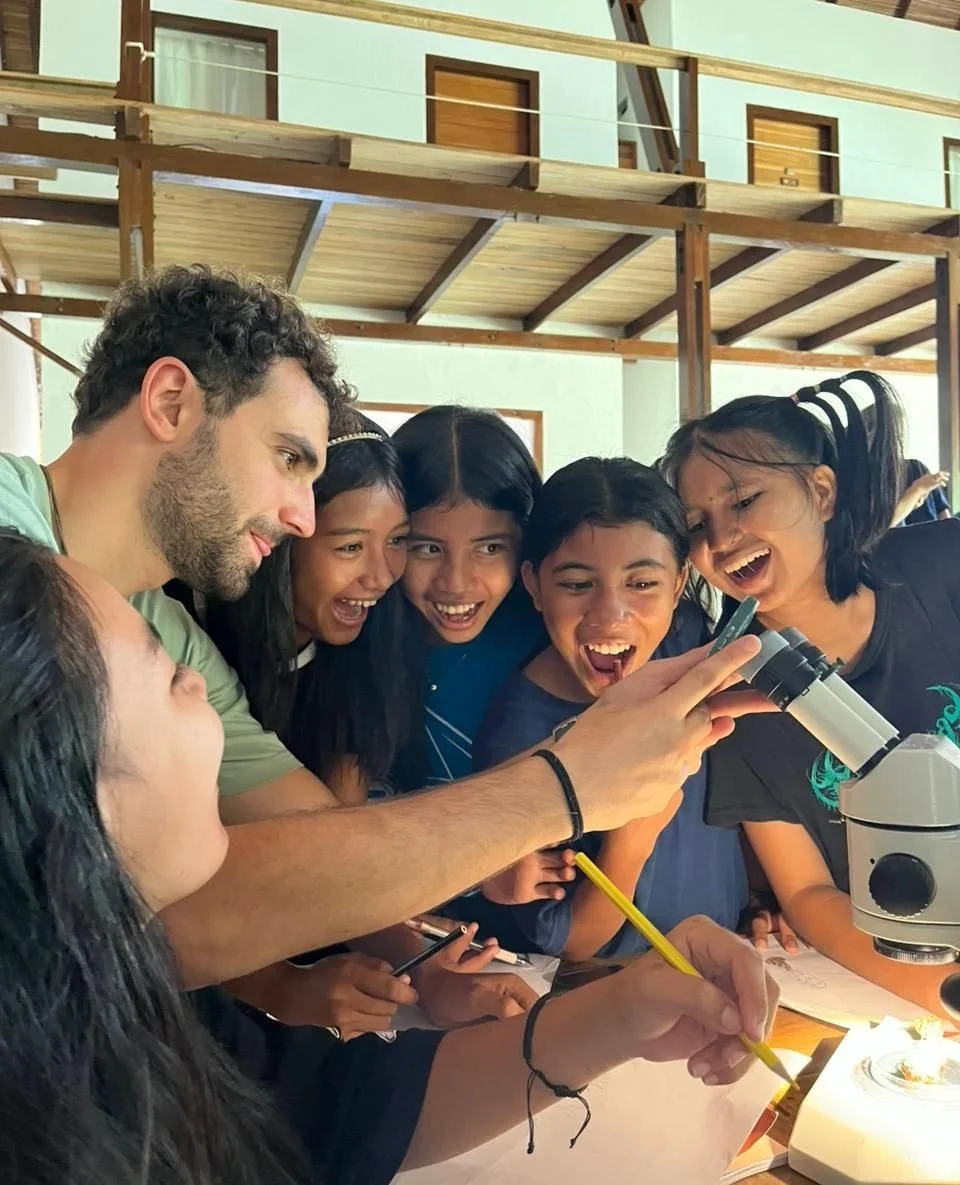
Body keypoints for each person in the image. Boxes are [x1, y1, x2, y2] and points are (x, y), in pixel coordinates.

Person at [0, 263, 770, 990]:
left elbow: (315, 846)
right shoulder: (13, 547)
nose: (303, 517)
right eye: (288, 457)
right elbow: (156, 913)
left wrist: (422, 961)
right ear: (171, 402)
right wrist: (565, 788)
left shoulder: (169, 641)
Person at [0, 528, 779, 1185]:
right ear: (53, 778)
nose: (205, 691)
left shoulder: (133, 1019)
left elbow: (346, 1107)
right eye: (171, 676)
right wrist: (565, 788)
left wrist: (621, 1011)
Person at [205, 416, 537, 1033]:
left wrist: (424, 967)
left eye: (396, 543)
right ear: (283, 533)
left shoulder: (356, 651)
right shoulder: (193, 646)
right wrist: (281, 986)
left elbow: (344, 849)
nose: (381, 576)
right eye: (351, 546)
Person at [662, 369, 960, 1017]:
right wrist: (945, 994)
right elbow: (807, 893)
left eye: (744, 501)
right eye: (696, 524)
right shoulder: (733, 698)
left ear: (821, 491)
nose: (721, 538)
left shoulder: (946, 566)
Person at [473, 458, 747, 961]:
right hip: (616, 988)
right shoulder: (518, 737)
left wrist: (767, 898)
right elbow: (573, 941)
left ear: (679, 583)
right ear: (533, 585)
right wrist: (633, 837)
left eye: (642, 584)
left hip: (739, 958)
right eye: (578, 584)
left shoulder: (688, 647)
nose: (610, 615)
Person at [393, 406, 578, 914]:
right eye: (427, 548)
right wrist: (476, 871)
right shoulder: (355, 652)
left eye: (490, 547)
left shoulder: (557, 646)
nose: (456, 582)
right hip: (394, 932)